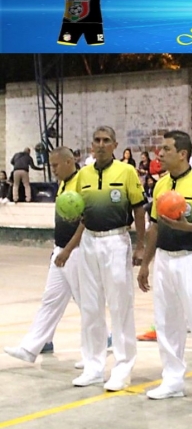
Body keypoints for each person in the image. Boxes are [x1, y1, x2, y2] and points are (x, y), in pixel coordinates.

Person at [137, 131, 192, 407]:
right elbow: (154, 228)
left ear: (183, 154)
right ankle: (173, 380)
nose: (159, 154)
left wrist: (189, 227)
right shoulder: (161, 185)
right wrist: (145, 263)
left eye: (165, 149)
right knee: (167, 323)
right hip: (164, 259)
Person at [58, 126, 146, 391]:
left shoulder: (127, 172)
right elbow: (79, 209)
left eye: (106, 140)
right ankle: (93, 366)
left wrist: (140, 245)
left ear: (115, 144)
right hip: (89, 242)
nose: (100, 144)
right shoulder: (82, 174)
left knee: (120, 305)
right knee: (91, 307)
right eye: (96, 140)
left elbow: (139, 209)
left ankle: (123, 367)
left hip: (116, 240)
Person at [4, 148, 82, 363]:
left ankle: (103, 341)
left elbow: (85, 222)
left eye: (56, 165)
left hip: (76, 252)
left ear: (68, 162)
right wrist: (58, 248)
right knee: (50, 299)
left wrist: (68, 249)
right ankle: (30, 349)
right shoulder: (63, 184)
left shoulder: (83, 182)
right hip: (61, 251)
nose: (53, 170)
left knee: (87, 303)